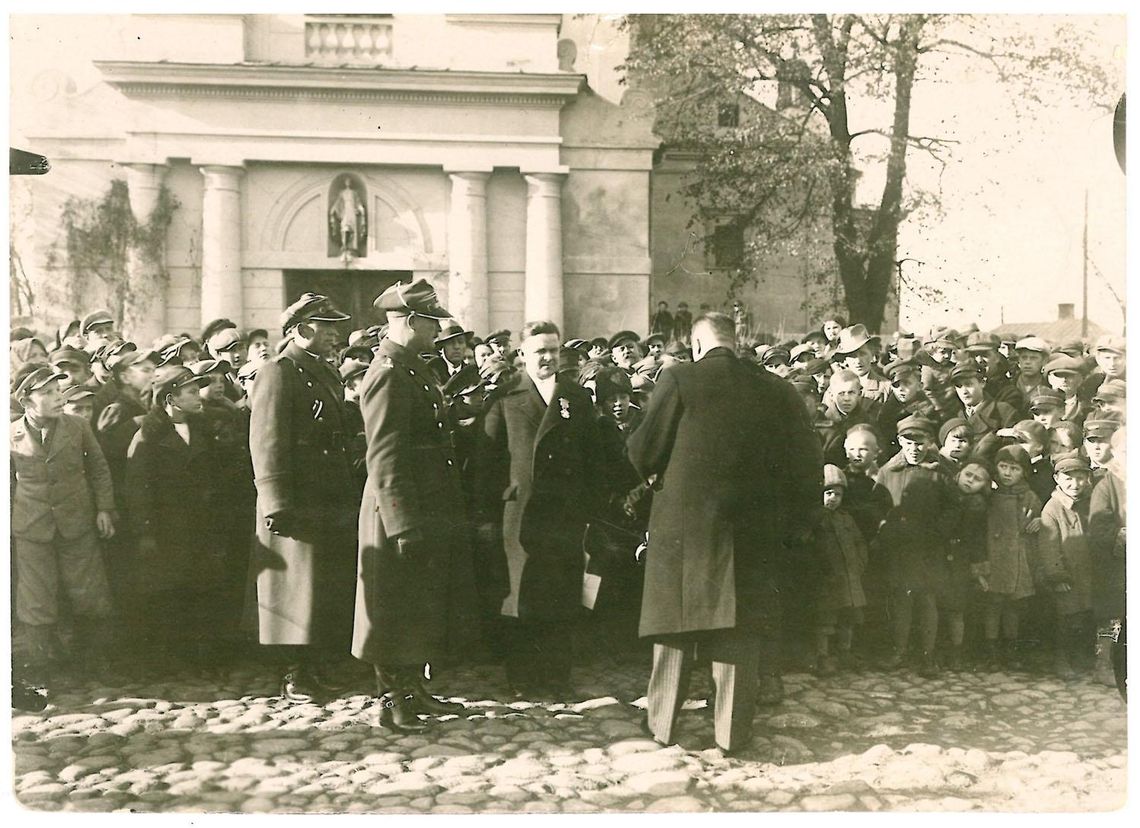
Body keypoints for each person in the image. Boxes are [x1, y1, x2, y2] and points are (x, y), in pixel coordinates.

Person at [628, 311, 821, 755]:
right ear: (737, 342)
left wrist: (658, 476)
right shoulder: (776, 388)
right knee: (739, 628)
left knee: (675, 625)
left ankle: (661, 726)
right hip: (754, 530)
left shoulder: (679, 379)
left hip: (685, 528)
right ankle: (731, 734)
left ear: (697, 344)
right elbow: (805, 462)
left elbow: (642, 450)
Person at [351, 280, 479, 731]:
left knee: (417, 602)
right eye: (429, 321)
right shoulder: (387, 372)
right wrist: (402, 523)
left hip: (425, 503)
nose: (435, 329)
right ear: (409, 322)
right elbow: (384, 455)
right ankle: (391, 700)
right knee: (393, 603)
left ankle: (412, 688)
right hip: (398, 507)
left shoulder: (411, 367)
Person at [474, 320, 602, 699]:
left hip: (564, 513)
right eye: (540, 351)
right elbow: (487, 463)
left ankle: (557, 675)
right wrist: (487, 515)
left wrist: (587, 506)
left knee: (561, 595)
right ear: (523, 355)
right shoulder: (505, 398)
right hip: (520, 516)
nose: (547, 357)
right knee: (520, 597)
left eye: (553, 350)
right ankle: (523, 676)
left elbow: (593, 459)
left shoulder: (575, 398)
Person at [249, 293, 359, 702]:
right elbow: (267, 441)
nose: (335, 335)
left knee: (318, 587)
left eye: (335, 327)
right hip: (294, 499)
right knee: (292, 588)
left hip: (326, 495)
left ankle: (314, 666)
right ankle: (293, 674)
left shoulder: (324, 372)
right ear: (301, 330)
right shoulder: (277, 373)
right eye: (326, 327)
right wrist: (275, 500)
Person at [10, 367, 117, 690]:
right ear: (26, 400)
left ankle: (93, 659)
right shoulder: (9, 434)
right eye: (48, 394)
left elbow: (98, 469)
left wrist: (104, 509)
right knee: (36, 597)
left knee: (89, 591)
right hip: (31, 526)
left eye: (59, 392)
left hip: (77, 521)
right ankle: (40, 663)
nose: (58, 399)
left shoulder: (78, 426)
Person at [125, 365, 222, 674]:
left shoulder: (202, 428)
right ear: (171, 398)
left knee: (200, 588)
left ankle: (198, 655)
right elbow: (137, 490)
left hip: (199, 525)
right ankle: (165, 659)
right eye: (192, 391)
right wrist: (146, 533)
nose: (199, 396)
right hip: (167, 529)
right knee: (167, 592)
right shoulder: (148, 437)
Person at [873, 414, 956, 677]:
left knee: (927, 599)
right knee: (901, 599)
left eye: (920, 442)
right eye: (908, 442)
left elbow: (953, 507)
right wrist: (887, 529)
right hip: (900, 547)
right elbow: (878, 507)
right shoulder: (888, 472)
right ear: (899, 442)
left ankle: (927, 655)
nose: (914, 448)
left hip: (930, 548)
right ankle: (898, 650)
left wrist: (940, 531)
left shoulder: (939, 471)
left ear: (930, 442)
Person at [977, 446, 1041, 671]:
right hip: (995, 559)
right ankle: (991, 652)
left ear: (1023, 472)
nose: (1007, 473)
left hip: (1019, 558)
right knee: (993, 605)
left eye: (1014, 468)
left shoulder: (1029, 497)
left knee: (1014, 606)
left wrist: (1040, 522)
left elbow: (1037, 522)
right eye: (1003, 466)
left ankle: (1011, 650)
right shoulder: (988, 495)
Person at [1038, 455, 1096, 679]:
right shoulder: (1052, 509)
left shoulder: (1090, 503)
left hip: (1087, 572)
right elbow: (1048, 546)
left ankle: (1080, 656)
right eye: (1068, 478)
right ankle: (1061, 660)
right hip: (1067, 574)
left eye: (1081, 478)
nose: (1075, 484)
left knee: (1084, 615)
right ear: (1056, 479)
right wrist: (1056, 575)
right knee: (1066, 618)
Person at [811, 465, 868, 675]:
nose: (833, 498)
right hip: (827, 580)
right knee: (825, 620)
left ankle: (845, 652)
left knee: (849, 617)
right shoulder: (816, 519)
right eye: (828, 493)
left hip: (850, 578)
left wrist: (860, 563)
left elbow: (859, 542)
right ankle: (823, 656)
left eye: (838, 494)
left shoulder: (846, 519)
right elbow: (809, 548)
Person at [939, 461, 992, 671]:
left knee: (957, 608)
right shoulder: (944, 495)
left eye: (977, 479)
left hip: (961, 560)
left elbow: (977, 540)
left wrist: (979, 570)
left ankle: (956, 652)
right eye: (968, 475)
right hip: (939, 556)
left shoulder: (978, 506)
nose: (970, 480)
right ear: (959, 474)